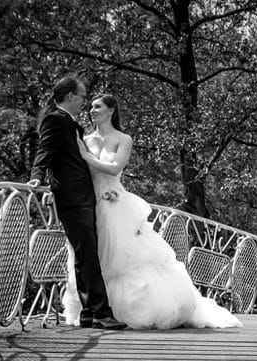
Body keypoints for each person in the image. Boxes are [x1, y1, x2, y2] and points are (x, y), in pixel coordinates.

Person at [62, 93, 242, 330]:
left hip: (114, 205)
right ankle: (93, 309)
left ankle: (127, 310)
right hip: (89, 204)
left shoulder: (123, 139)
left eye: (98, 106)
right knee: (90, 257)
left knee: (122, 259)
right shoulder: (85, 139)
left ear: (111, 111)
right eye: (91, 107)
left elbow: (115, 168)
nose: (92, 110)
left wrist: (86, 157)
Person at [27, 76, 126, 330]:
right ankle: (102, 313)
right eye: (83, 97)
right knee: (89, 255)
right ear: (71, 97)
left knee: (84, 255)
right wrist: (36, 178)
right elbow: (45, 151)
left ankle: (89, 314)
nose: (84, 103)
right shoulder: (56, 120)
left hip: (83, 196)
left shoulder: (71, 124)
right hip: (72, 198)